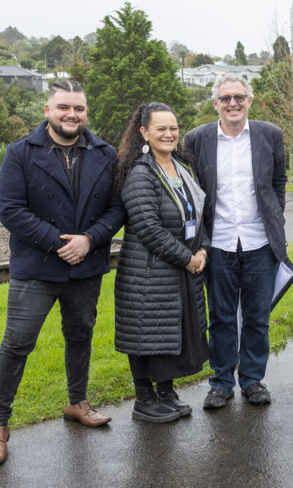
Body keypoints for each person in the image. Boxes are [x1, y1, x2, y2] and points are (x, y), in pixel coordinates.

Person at [0, 80, 126, 467]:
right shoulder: (20, 153)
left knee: (80, 334)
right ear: (48, 110)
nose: (71, 114)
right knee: (17, 343)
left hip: (86, 266)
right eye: (63, 107)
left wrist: (90, 240)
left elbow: (117, 208)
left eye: (78, 108)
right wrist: (61, 243)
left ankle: (77, 402)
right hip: (38, 267)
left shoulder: (105, 153)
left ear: (86, 113)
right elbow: (10, 209)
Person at [184, 73, 287, 408]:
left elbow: (279, 182)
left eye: (239, 97)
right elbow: (192, 192)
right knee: (221, 316)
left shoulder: (270, 135)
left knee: (258, 315)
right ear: (215, 103)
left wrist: (275, 219)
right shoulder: (196, 139)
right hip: (218, 243)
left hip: (260, 243)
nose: (233, 103)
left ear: (249, 101)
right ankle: (221, 382)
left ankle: (253, 380)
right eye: (225, 98)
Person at [114, 102, 210, 422]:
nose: (169, 134)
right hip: (148, 271)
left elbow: (199, 214)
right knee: (145, 335)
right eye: (161, 129)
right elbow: (148, 228)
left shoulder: (183, 167)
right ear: (144, 132)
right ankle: (144, 399)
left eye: (173, 128)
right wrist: (187, 259)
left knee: (169, 333)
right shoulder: (141, 173)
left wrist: (203, 251)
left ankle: (165, 393)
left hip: (181, 268)